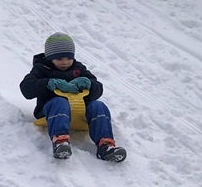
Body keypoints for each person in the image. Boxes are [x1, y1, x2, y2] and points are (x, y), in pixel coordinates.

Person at [20, 32, 128, 162]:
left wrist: (89, 84)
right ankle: (60, 142)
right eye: (59, 59)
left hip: (80, 110)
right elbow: (26, 88)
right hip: (52, 112)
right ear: (49, 57)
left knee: (98, 105)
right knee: (60, 102)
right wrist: (47, 83)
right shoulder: (42, 69)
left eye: (69, 58)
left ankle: (106, 146)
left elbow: (98, 89)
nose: (65, 62)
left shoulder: (78, 69)